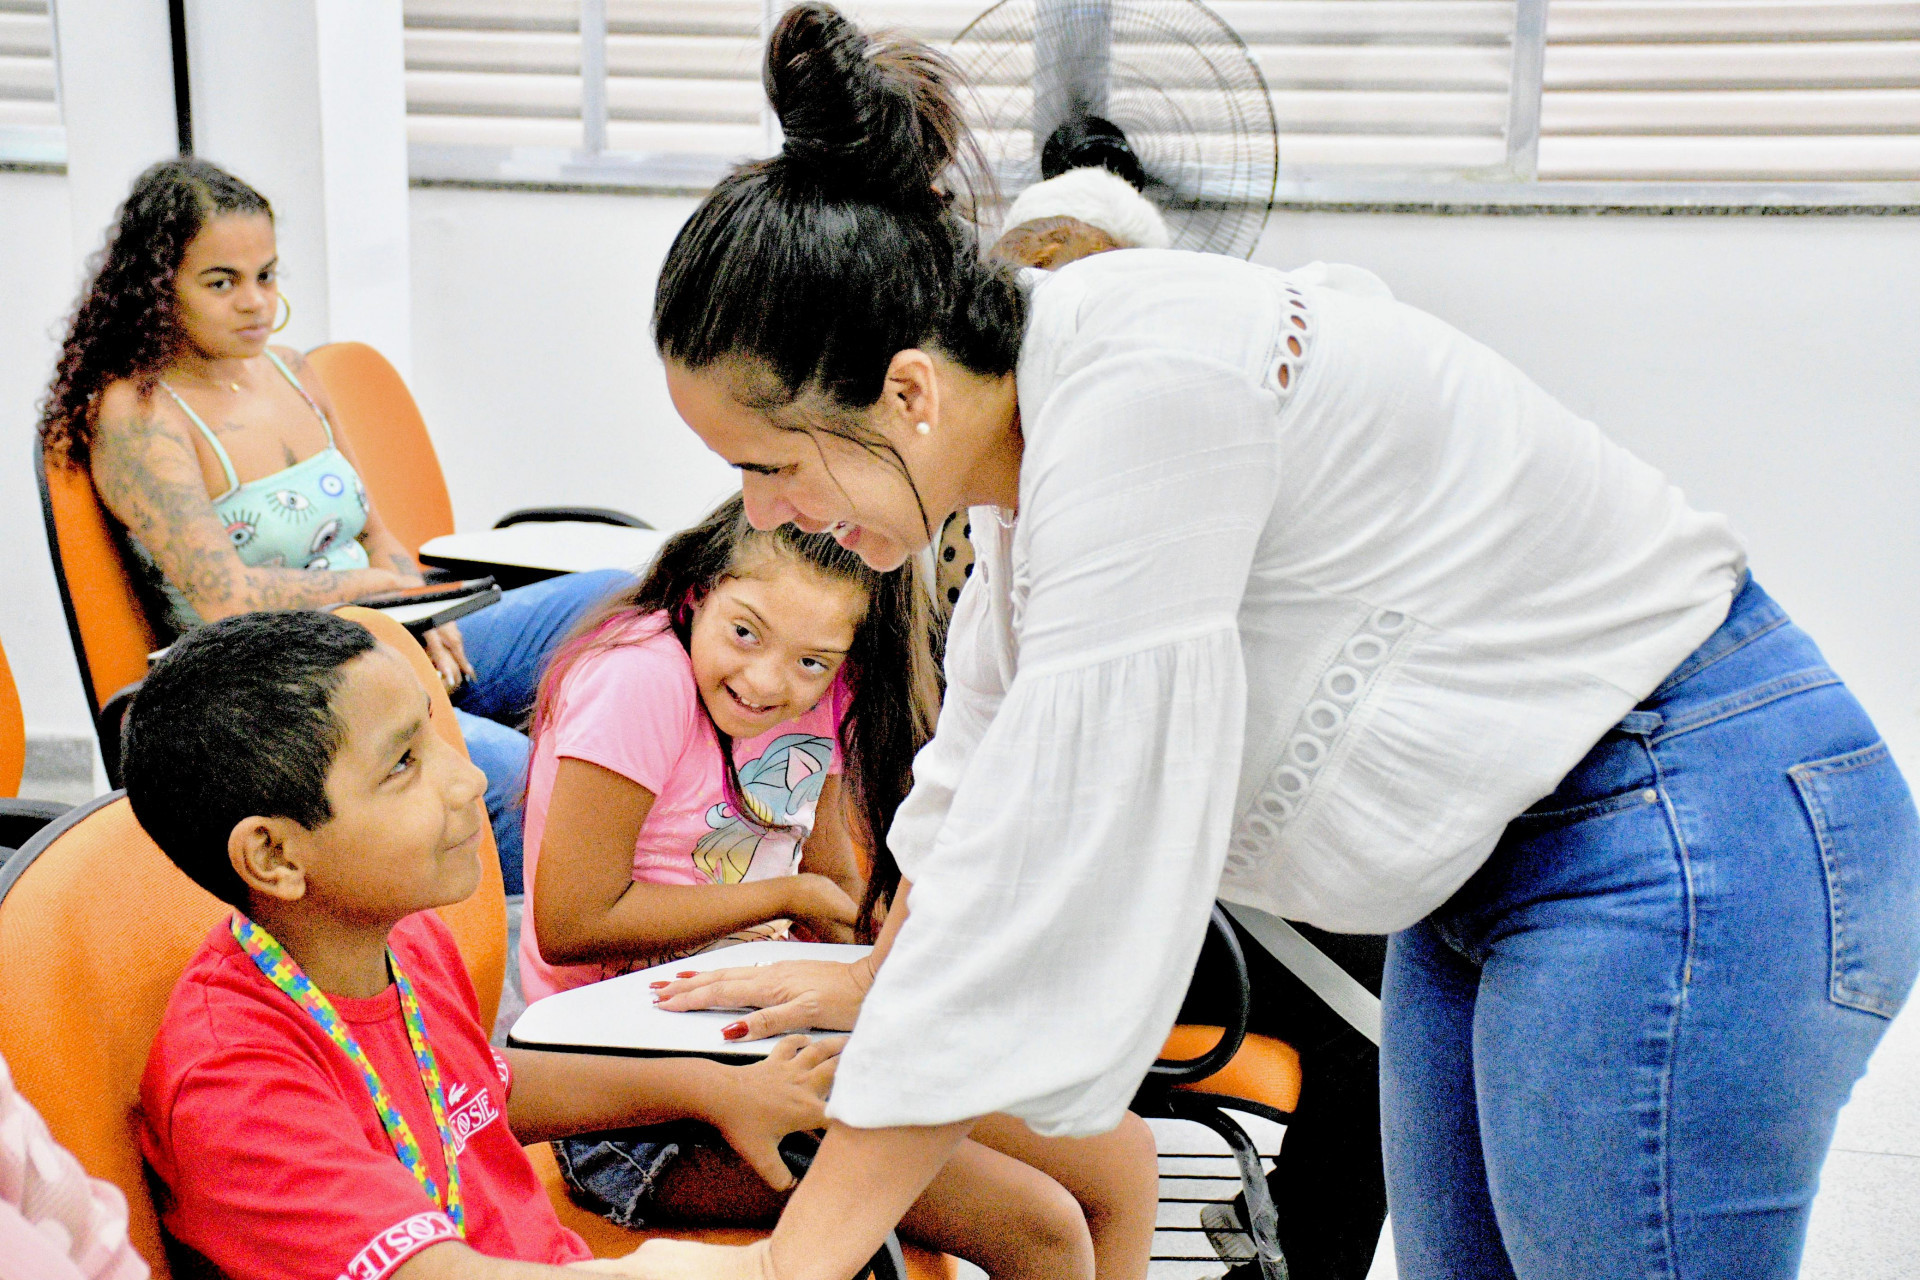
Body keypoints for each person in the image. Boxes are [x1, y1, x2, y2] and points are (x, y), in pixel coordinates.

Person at [628, 6, 1920, 1279]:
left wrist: (790, 1265)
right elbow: (979, 786)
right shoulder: (1047, 436)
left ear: (908, 390)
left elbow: (1056, 860)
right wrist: (882, 982)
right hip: (1501, 866)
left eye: (771, 463)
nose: (764, 514)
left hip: (1682, 820)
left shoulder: (1143, 396)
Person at [520, 494, 1156, 1275]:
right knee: (1040, 1224)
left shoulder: (824, 692)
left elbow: (830, 883)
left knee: (1121, 1159)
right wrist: (786, 898)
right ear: (698, 594)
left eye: (812, 662)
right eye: (745, 632)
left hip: (776, 1039)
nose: (766, 680)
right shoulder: (639, 678)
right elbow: (572, 922)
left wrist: (892, 938)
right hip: (634, 1105)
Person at [988, 161, 1389, 1280]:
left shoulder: (1162, 463)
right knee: (1372, 1019)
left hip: (1130, 869)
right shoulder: (984, 493)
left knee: (1381, 975)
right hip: (1049, 889)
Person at [37, 156, 626, 895]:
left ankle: (666, 840)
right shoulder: (139, 413)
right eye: (221, 282)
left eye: (267, 275)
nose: (256, 302)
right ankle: (580, 912)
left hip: (379, 629)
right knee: (510, 774)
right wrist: (380, 597)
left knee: (621, 602)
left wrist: (420, 609)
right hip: (277, 681)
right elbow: (224, 599)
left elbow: (375, 530)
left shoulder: (292, 370)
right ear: (158, 290)